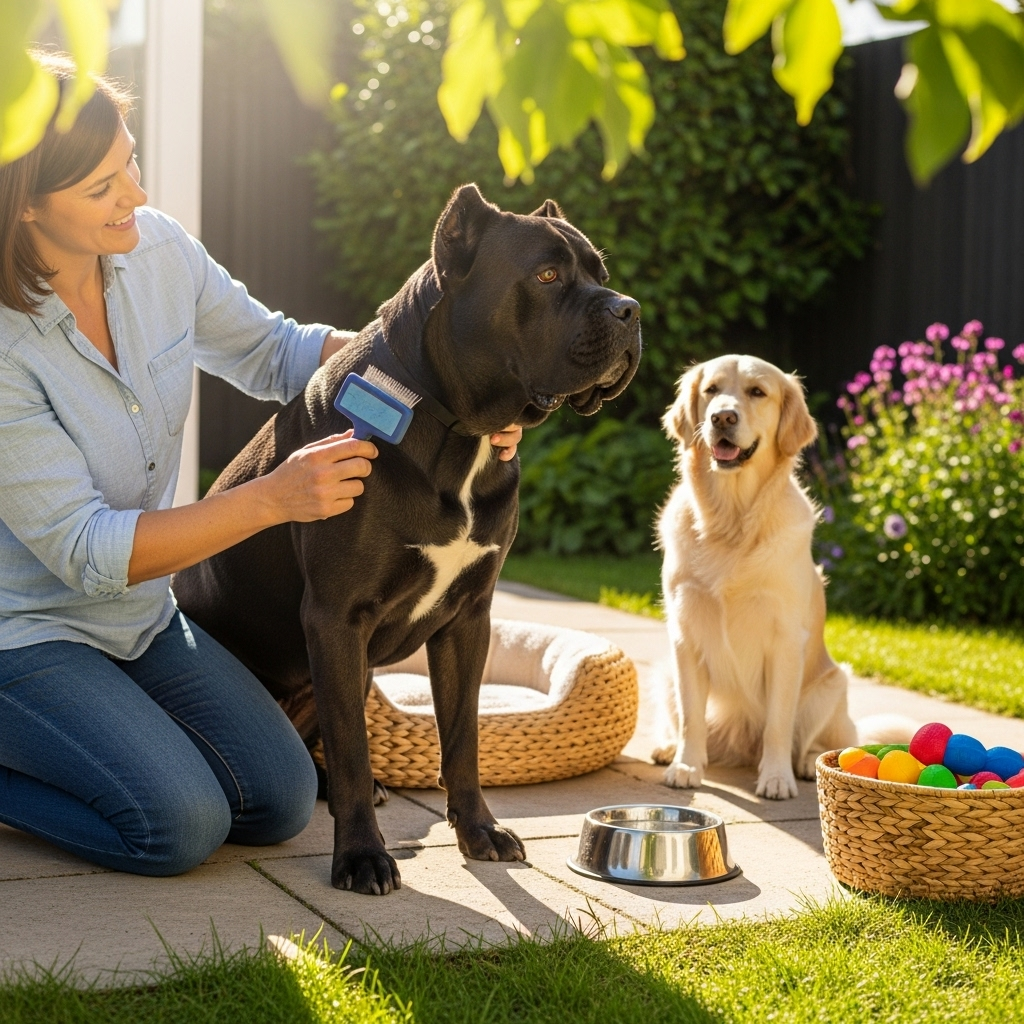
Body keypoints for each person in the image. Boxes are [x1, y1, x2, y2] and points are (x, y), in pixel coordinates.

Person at [0, 53, 522, 877]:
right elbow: (87, 551)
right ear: (26, 206)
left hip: (138, 621)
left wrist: (444, 391)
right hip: (26, 635)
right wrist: (274, 498)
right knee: (179, 824)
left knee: (278, 797)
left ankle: (105, 741)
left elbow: (278, 352)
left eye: (130, 161)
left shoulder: (155, 251)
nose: (134, 193)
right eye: (102, 188)